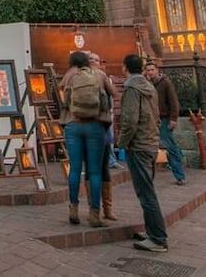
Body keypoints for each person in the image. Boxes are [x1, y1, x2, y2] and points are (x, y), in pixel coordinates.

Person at [117, 54, 168, 252]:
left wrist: (122, 142)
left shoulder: (132, 88)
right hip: (151, 142)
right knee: (147, 190)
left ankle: (158, 238)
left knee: (146, 193)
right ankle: (152, 231)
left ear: (125, 67)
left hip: (138, 145)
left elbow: (130, 120)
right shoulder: (149, 86)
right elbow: (155, 114)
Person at [59, 51, 107, 227]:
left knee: (74, 169)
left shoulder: (69, 75)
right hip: (95, 125)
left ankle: (73, 209)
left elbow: (62, 100)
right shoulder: (99, 74)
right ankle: (95, 214)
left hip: (72, 124)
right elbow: (113, 93)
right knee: (94, 171)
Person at [87, 52, 119, 220]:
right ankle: (94, 209)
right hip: (90, 128)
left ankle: (107, 208)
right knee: (92, 169)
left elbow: (112, 97)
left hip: (103, 127)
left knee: (104, 167)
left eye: (97, 60)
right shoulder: (81, 79)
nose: (94, 62)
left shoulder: (104, 78)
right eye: (91, 59)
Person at [144, 62, 186, 186]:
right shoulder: (147, 84)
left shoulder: (165, 83)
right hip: (152, 119)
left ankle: (179, 175)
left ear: (157, 70)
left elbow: (173, 101)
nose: (150, 72)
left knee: (169, 146)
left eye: (152, 69)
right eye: (148, 70)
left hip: (165, 118)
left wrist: (174, 118)